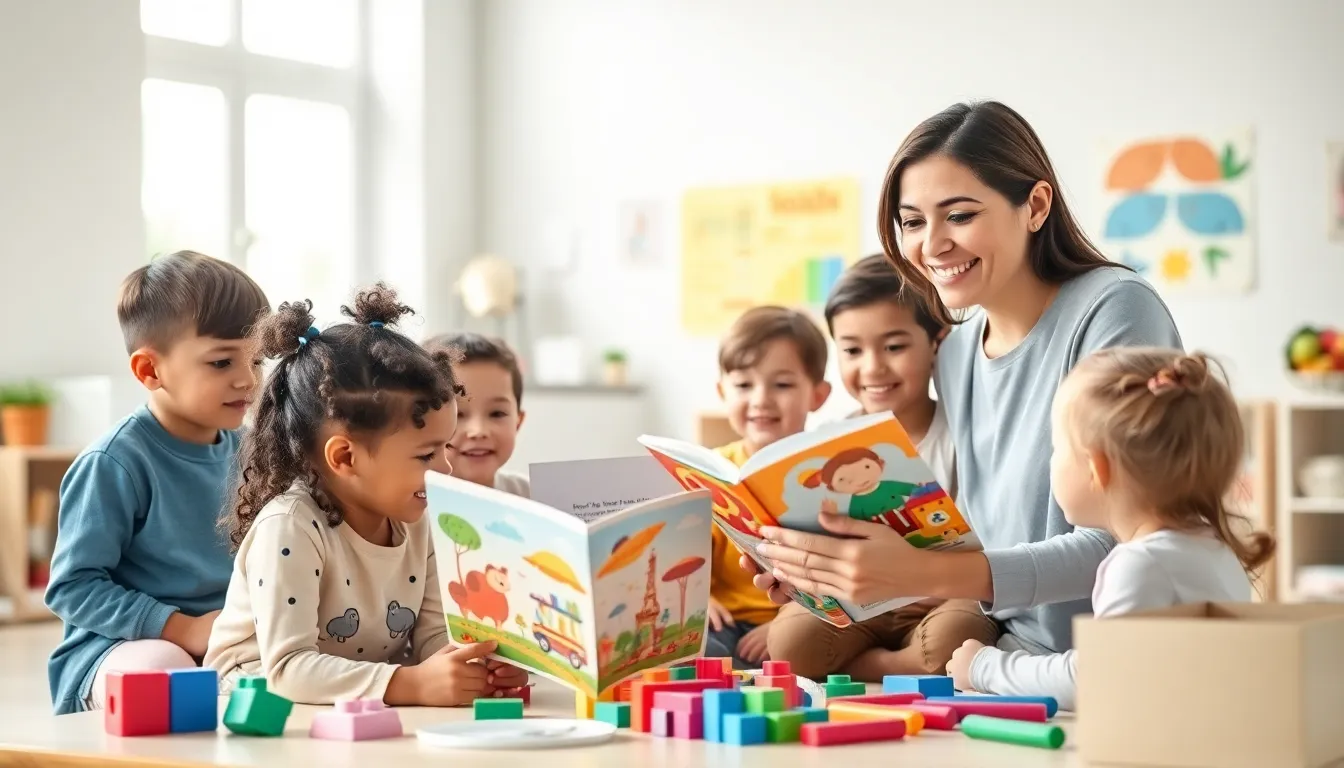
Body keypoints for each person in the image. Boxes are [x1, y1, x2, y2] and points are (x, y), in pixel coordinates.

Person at [748, 100, 1184, 664]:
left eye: (959, 215)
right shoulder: (955, 352)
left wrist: (925, 571)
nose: (932, 245)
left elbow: (1133, 537)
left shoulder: (1115, 309)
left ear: (1035, 205)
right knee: (795, 647)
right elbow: (976, 537)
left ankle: (880, 674)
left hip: (1094, 658)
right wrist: (828, 565)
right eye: (912, 222)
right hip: (1000, 645)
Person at [204, 284, 529, 705]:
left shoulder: (418, 522)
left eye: (444, 448)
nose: (446, 469)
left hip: (356, 703)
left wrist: (475, 664)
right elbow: (287, 669)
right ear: (345, 457)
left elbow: (433, 636)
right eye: (427, 454)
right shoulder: (290, 528)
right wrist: (412, 684)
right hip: (255, 700)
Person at [946, 349, 1274, 710]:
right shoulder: (1213, 548)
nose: (1052, 462)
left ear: (1096, 468)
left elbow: (1094, 679)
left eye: (1058, 449)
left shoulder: (1142, 565)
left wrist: (983, 667)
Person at [44, 251, 271, 714]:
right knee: (167, 670)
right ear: (150, 371)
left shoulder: (254, 452)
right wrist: (182, 629)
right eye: (222, 362)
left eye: (258, 360)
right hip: (119, 651)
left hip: (224, 642)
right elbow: (73, 587)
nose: (247, 379)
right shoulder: (115, 462)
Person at [765, 254, 998, 681]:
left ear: (937, 343)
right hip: (857, 601)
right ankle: (894, 670)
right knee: (788, 644)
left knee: (956, 640)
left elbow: (986, 539)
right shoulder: (829, 446)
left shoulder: (962, 434)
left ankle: (863, 671)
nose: (872, 367)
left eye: (894, 346)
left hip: (943, 598)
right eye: (852, 350)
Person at [708, 306, 831, 669]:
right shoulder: (712, 469)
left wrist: (786, 620)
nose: (761, 399)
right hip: (726, 622)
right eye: (744, 385)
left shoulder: (831, 471)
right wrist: (700, 602)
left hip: (808, 619)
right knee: (696, 655)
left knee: (801, 650)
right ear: (722, 391)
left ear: (817, 395)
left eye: (782, 384)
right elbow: (687, 556)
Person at [423, 332, 529, 497]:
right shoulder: (408, 508)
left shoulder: (535, 498)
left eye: (497, 413)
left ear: (518, 422)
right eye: (457, 414)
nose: (478, 431)